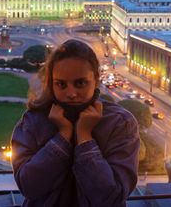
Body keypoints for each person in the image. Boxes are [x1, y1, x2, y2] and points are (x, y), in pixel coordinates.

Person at [11, 39, 140, 207]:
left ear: (96, 79)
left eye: (80, 83)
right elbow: (29, 187)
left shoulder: (120, 123)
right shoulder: (33, 121)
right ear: (51, 82)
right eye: (61, 84)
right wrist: (63, 136)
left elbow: (111, 197)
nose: (71, 93)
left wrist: (85, 138)